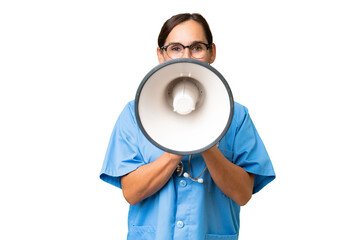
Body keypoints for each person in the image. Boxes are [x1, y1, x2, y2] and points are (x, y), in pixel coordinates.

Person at [100, 13, 275, 240]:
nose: (186, 56)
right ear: (160, 55)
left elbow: (243, 194)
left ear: (212, 52)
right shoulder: (134, 114)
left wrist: (206, 137)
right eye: (175, 48)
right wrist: (180, 142)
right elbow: (132, 193)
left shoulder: (237, 116)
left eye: (197, 47)